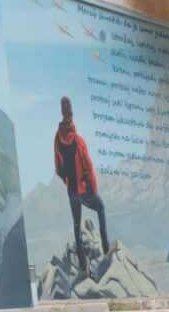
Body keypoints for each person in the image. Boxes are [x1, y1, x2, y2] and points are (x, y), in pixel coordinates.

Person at [53, 96, 111, 275]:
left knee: (76, 225)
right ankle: (106, 249)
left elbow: (58, 167)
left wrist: (67, 180)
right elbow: (88, 166)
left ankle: (84, 267)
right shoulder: (78, 141)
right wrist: (91, 188)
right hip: (83, 189)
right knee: (101, 208)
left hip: (71, 190)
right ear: (71, 115)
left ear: (62, 114)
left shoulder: (57, 138)